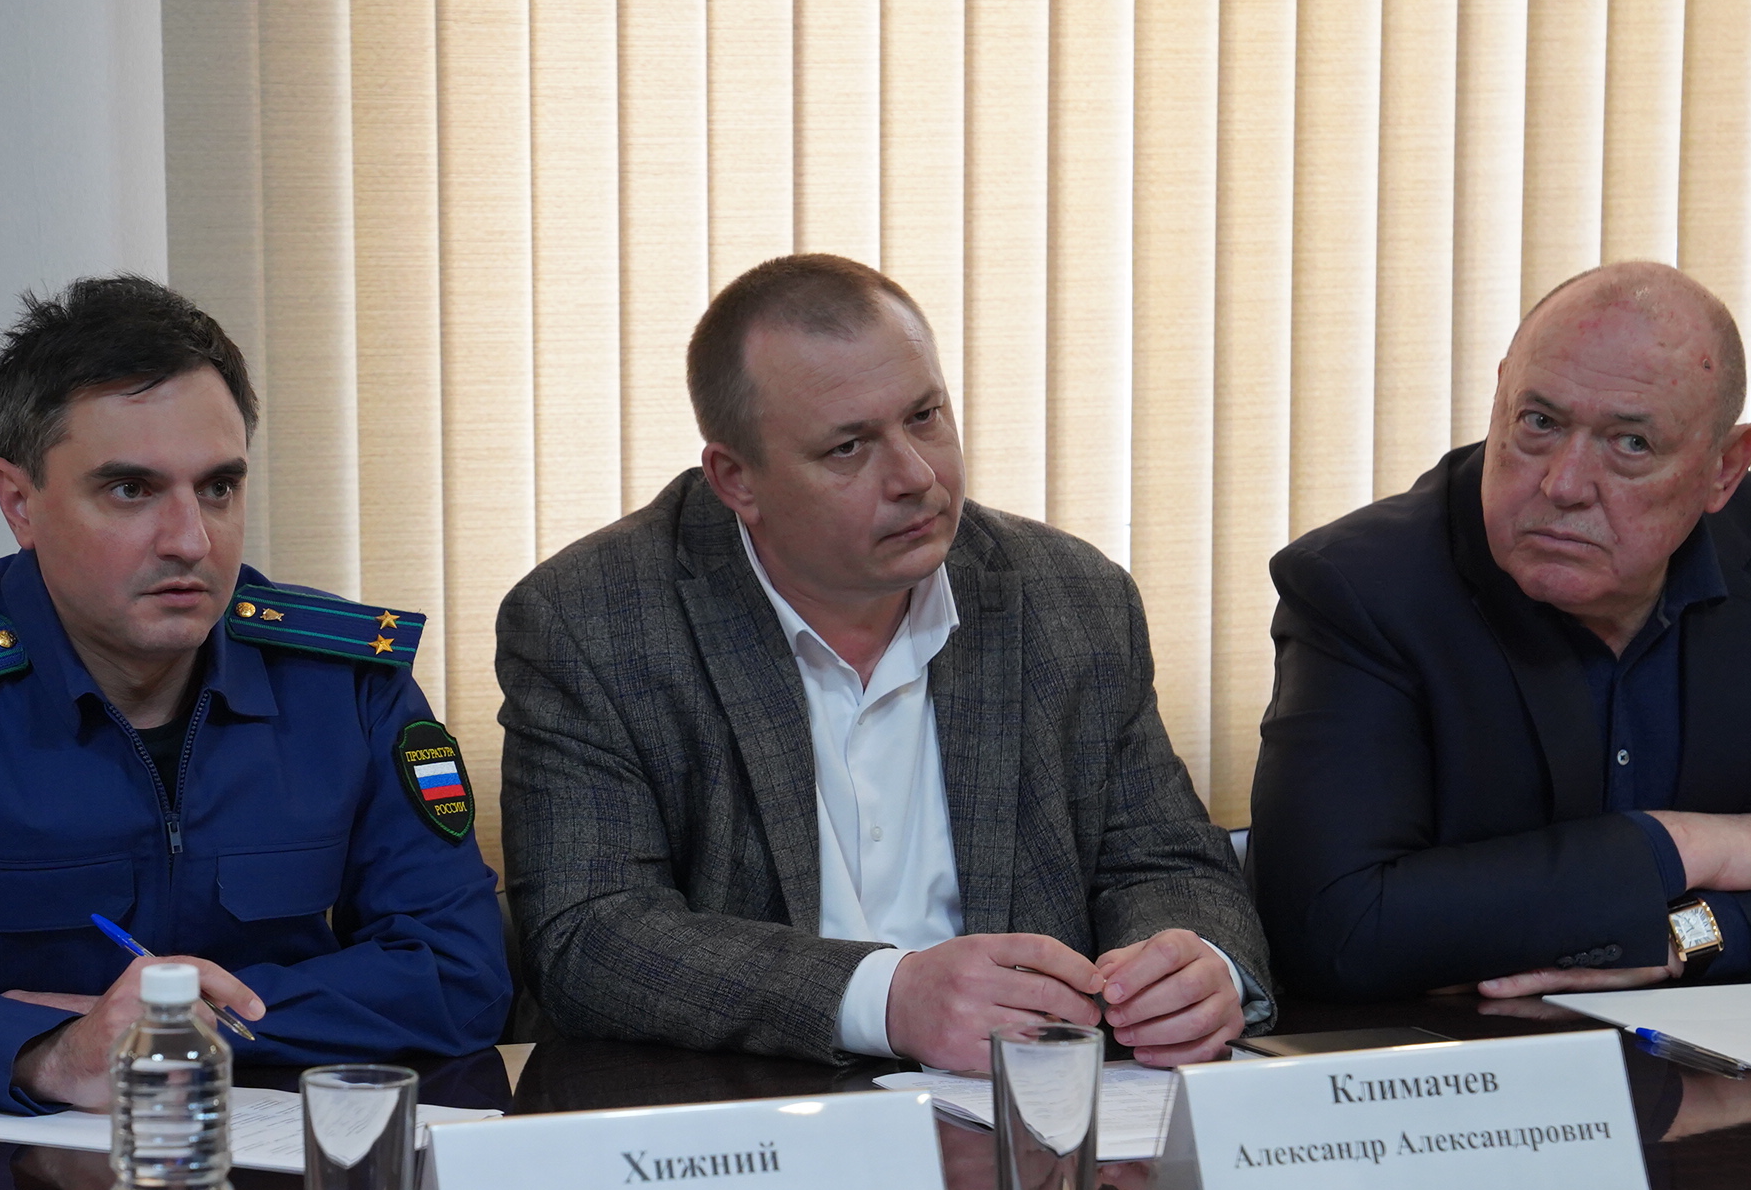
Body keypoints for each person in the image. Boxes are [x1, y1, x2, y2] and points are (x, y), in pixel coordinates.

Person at [0, 275, 510, 1112]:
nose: (190, 539)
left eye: (218, 487)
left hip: (272, 1157)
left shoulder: (346, 684)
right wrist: (43, 1052)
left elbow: (461, 971)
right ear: (19, 503)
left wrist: (173, 1026)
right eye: (131, 490)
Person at [496, 254, 1271, 1071]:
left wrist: (1195, 966)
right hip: (747, 1118)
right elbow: (591, 935)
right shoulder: (592, 622)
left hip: (1028, 1106)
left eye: (925, 416)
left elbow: (1168, 861)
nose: (917, 475)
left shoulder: (1071, 598)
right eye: (848, 448)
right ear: (736, 478)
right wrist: (886, 998)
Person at [1250, 259, 1751, 1000]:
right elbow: (1331, 931)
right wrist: (1685, 845)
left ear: (1725, 467)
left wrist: (1703, 934)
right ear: (1499, 398)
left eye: (1631, 444)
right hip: (1471, 1071)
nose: (1562, 484)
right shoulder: (1364, 588)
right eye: (1539, 422)